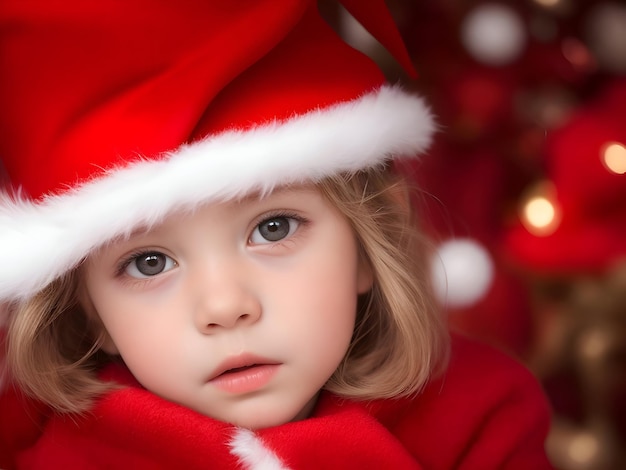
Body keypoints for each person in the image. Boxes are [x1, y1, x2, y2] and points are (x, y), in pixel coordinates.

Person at [0, 0, 553, 468]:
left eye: (273, 227)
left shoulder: (481, 419)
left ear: (369, 239)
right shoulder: (46, 452)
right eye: (149, 263)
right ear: (92, 312)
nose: (225, 306)